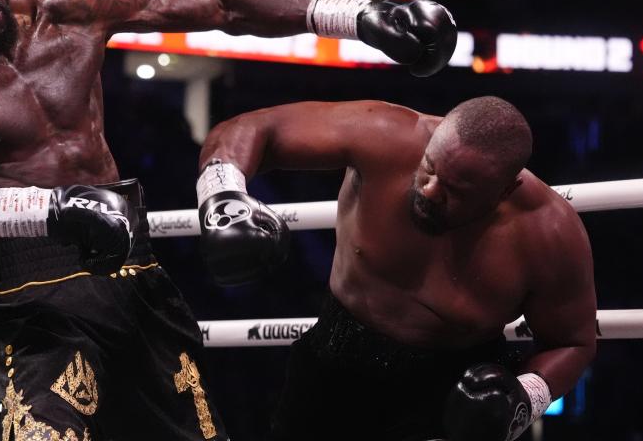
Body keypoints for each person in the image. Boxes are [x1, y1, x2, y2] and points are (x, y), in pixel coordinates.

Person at [0, 0, 458, 441]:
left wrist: (351, 16)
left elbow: (219, 5)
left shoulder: (74, 9)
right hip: (31, 289)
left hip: (132, 267)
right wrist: (48, 211)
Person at [195, 96, 597, 441]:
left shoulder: (548, 232)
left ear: (505, 190)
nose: (430, 190)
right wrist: (223, 200)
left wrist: (523, 397)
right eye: (430, 167)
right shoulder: (383, 134)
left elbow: (573, 343)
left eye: (458, 190)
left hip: (452, 392)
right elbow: (248, 128)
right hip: (331, 363)